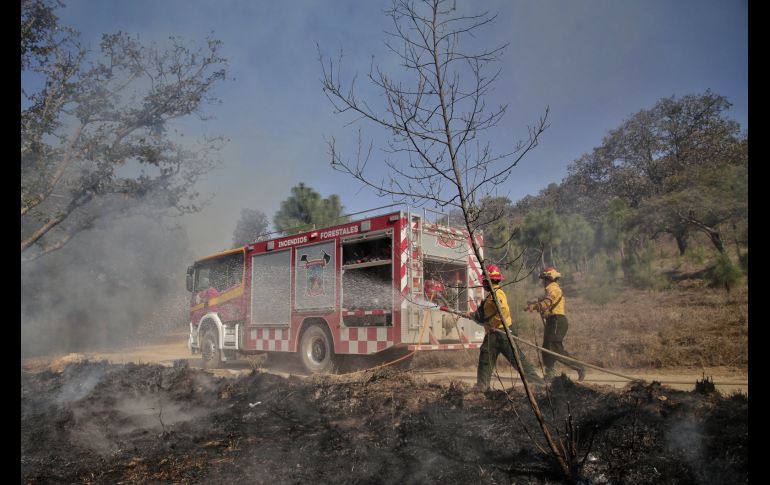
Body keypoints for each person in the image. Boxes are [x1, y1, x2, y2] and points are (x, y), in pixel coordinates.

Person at [449, 264, 545, 390]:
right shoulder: (492, 295)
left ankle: (540, 385)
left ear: (488, 280)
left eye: (484, 280)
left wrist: (493, 324)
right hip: (496, 334)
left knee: (515, 361)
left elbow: (503, 311)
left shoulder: (496, 294)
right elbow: (486, 313)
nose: (483, 283)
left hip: (500, 333)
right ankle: (482, 387)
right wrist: (472, 315)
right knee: (488, 357)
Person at [525, 266, 586, 382]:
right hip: (552, 321)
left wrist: (536, 306)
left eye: (544, 279)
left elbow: (547, 303)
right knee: (547, 348)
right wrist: (533, 304)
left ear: (548, 279)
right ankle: (550, 374)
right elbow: (543, 301)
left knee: (554, 348)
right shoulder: (550, 289)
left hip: (557, 320)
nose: (543, 282)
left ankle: (580, 367)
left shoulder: (553, 288)